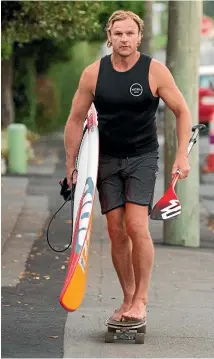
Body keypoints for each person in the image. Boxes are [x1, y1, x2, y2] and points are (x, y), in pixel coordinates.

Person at [64, 10, 191, 322]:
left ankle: (141, 300)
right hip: (104, 158)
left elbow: (182, 111)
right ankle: (128, 298)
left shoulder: (154, 71)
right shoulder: (93, 73)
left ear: (139, 36)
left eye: (129, 33)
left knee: (136, 226)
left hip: (142, 157)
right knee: (115, 231)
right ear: (110, 36)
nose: (124, 39)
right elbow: (75, 119)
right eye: (118, 33)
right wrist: (73, 164)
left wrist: (182, 155)